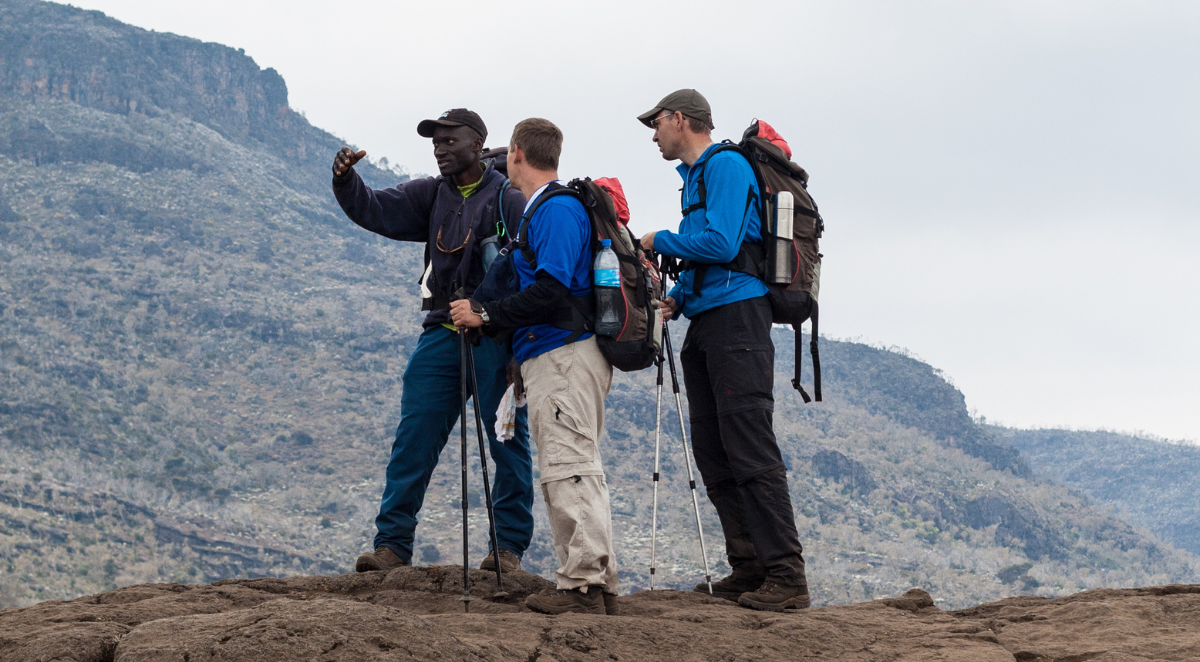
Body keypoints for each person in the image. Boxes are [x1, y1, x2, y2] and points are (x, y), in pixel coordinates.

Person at [331, 108, 533, 575]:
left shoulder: (509, 200)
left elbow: (528, 275)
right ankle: (392, 546)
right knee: (414, 437)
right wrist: (347, 182)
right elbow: (377, 208)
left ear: (478, 144)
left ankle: (506, 550)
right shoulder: (431, 193)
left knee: (506, 442)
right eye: (435, 142)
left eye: (449, 140)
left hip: (496, 338)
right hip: (441, 334)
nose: (440, 148)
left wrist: (517, 344)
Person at [636, 90, 811, 611]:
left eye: (657, 124)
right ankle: (750, 568)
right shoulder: (694, 179)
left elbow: (724, 245)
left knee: (750, 448)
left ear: (680, 119)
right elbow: (707, 260)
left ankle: (787, 577)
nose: (653, 135)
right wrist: (678, 299)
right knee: (715, 451)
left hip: (740, 321)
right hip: (710, 320)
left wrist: (655, 239)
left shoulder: (727, 165)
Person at [450, 118, 619, 615]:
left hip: (564, 353)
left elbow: (553, 290)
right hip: (554, 352)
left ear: (517, 153)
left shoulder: (557, 210)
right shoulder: (543, 211)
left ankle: (583, 586)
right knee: (576, 464)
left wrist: (487, 313)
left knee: (568, 466)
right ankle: (597, 583)